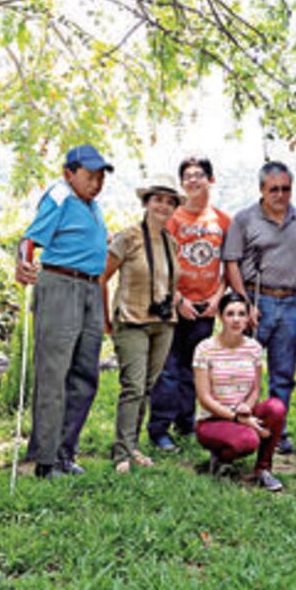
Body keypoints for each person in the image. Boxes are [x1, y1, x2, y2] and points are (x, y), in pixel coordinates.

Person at [15, 144, 113, 480]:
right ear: (69, 173)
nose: (96, 184)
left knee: (85, 375)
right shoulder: (59, 195)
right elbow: (30, 239)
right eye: (90, 176)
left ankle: (64, 453)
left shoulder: (92, 205)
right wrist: (23, 263)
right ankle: (45, 460)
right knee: (54, 373)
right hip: (61, 285)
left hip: (90, 289)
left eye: (101, 178)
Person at [222, 161, 296, 454]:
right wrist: (244, 304)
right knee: (244, 367)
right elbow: (231, 263)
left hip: (290, 301)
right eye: (274, 189)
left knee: (283, 372)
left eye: (286, 189)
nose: (280, 195)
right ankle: (240, 425)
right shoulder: (244, 219)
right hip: (257, 299)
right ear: (262, 190)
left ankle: (277, 430)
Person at [146, 156, 231, 451]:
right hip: (172, 305)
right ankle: (159, 429)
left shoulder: (222, 221)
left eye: (199, 175)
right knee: (167, 369)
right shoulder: (172, 218)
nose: (193, 180)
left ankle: (186, 423)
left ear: (211, 179)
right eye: (187, 176)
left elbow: (229, 266)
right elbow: (159, 263)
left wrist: (217, 299)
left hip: (205, 307)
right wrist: (178, 298)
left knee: (193, 369)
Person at [100, 174, 182, 474]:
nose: (163, 206)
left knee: (147, 387)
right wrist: (105, 318)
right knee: (133, 386)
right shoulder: (128, 237)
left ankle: (132, 445)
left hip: (163, 322)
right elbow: (102, 277)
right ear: (146, 202)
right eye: (157, 199)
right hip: (131, 320)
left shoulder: (171, 242)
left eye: (169, 202)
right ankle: (121, 452)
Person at [193, 292, 288, 492]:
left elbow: (255, 389)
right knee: (248, 440)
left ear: (248, 317)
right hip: (212, 420)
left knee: (276, 408)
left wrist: (247, 406)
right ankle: (221, 457)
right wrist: (238, 419)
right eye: (230, 314)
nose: (236, 320)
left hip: (243, 413)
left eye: (241, 314)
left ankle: (263, 469)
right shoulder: (205, 349)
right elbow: (204, 398)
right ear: (220, 317)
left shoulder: (253, 348)